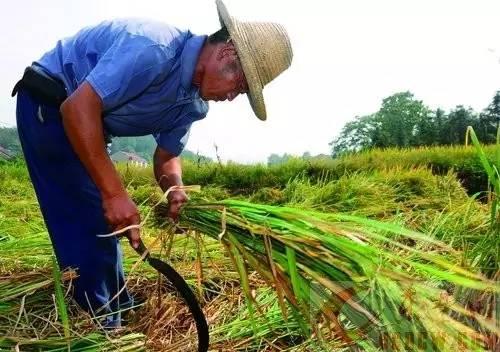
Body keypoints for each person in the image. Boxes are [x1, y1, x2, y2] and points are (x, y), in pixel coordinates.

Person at [12, 0, 292, 327]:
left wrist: (175, 190)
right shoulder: (153, 48)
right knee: (87, 220)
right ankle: (95, 327)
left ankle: (117, 308)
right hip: (50, 103)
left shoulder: (193, 104)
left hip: (86, 122)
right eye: (240, 87)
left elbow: (166, 156)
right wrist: (115, 194)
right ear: (227, 55)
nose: (232, 98)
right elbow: (77, 110)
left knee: (104, 224)